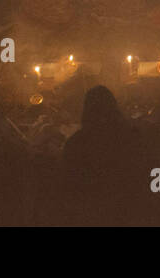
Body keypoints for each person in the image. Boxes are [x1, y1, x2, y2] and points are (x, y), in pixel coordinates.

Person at [63, 86, 146, 224]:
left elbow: (69, 184)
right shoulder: (132, 136)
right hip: (127, 211)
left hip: (91, 213)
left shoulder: (77, 142)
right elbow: (144, 170)